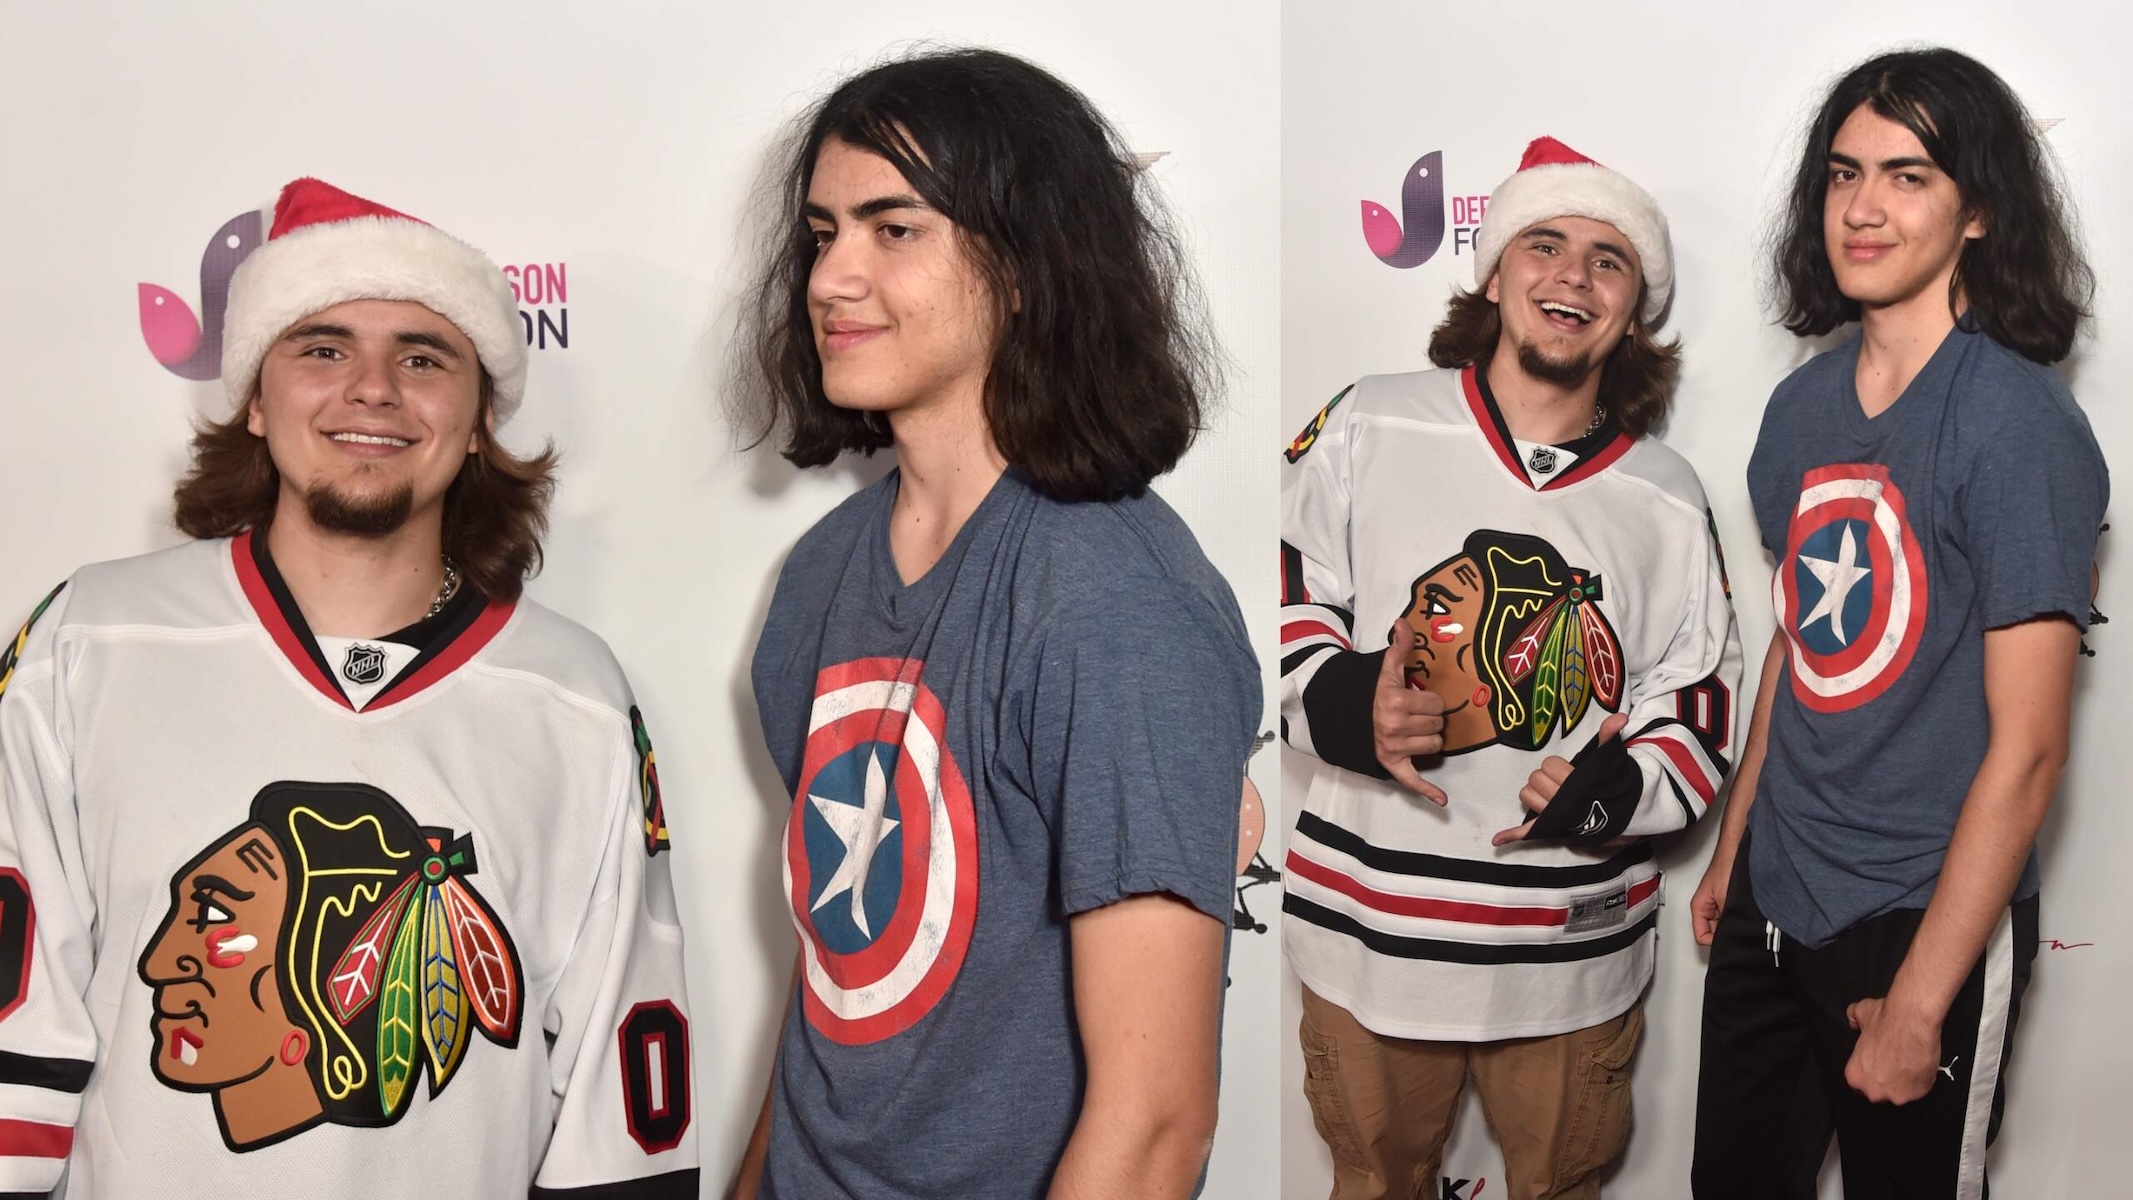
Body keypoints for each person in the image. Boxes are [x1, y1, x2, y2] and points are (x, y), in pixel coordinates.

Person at [0, 178, 697, 1197]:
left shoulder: (573, 697)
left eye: (422, 357)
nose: (371, 388)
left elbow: (615, 1096)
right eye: (322, 348)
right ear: (253, 395)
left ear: (475, 422)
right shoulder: (89, 642)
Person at [723, 46, 1261, 1200]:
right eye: (823, 234)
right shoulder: (818, 575)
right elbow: (837, 979)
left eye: (893, 228)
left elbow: (1159, 1123)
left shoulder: (1112, 597)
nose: (831, 277)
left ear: (1024, 265)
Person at [1279, 137, 1741, 1200]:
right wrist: (1350, 705)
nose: (1572, 275)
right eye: (1545, 244)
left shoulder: (1667, 494)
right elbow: (1279, 605)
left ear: (1633, 310)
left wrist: (1615, 791)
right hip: (1373, 940)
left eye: (1608, 258)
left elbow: (1701, 698)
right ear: (1496, 274)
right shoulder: (1367, 419)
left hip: (1569, 960)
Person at [1690, 48, 2107, 1200]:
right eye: (1842, 173)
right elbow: (1800, 638)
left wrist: (1924, 995)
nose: (1863, 207)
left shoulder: (2018, 426)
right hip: (1780, 895)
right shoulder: (1800, 408)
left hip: (1923, 917)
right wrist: (1736, 849)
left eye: (1908, 176)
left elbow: (2028, 751)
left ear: (1978, 209)